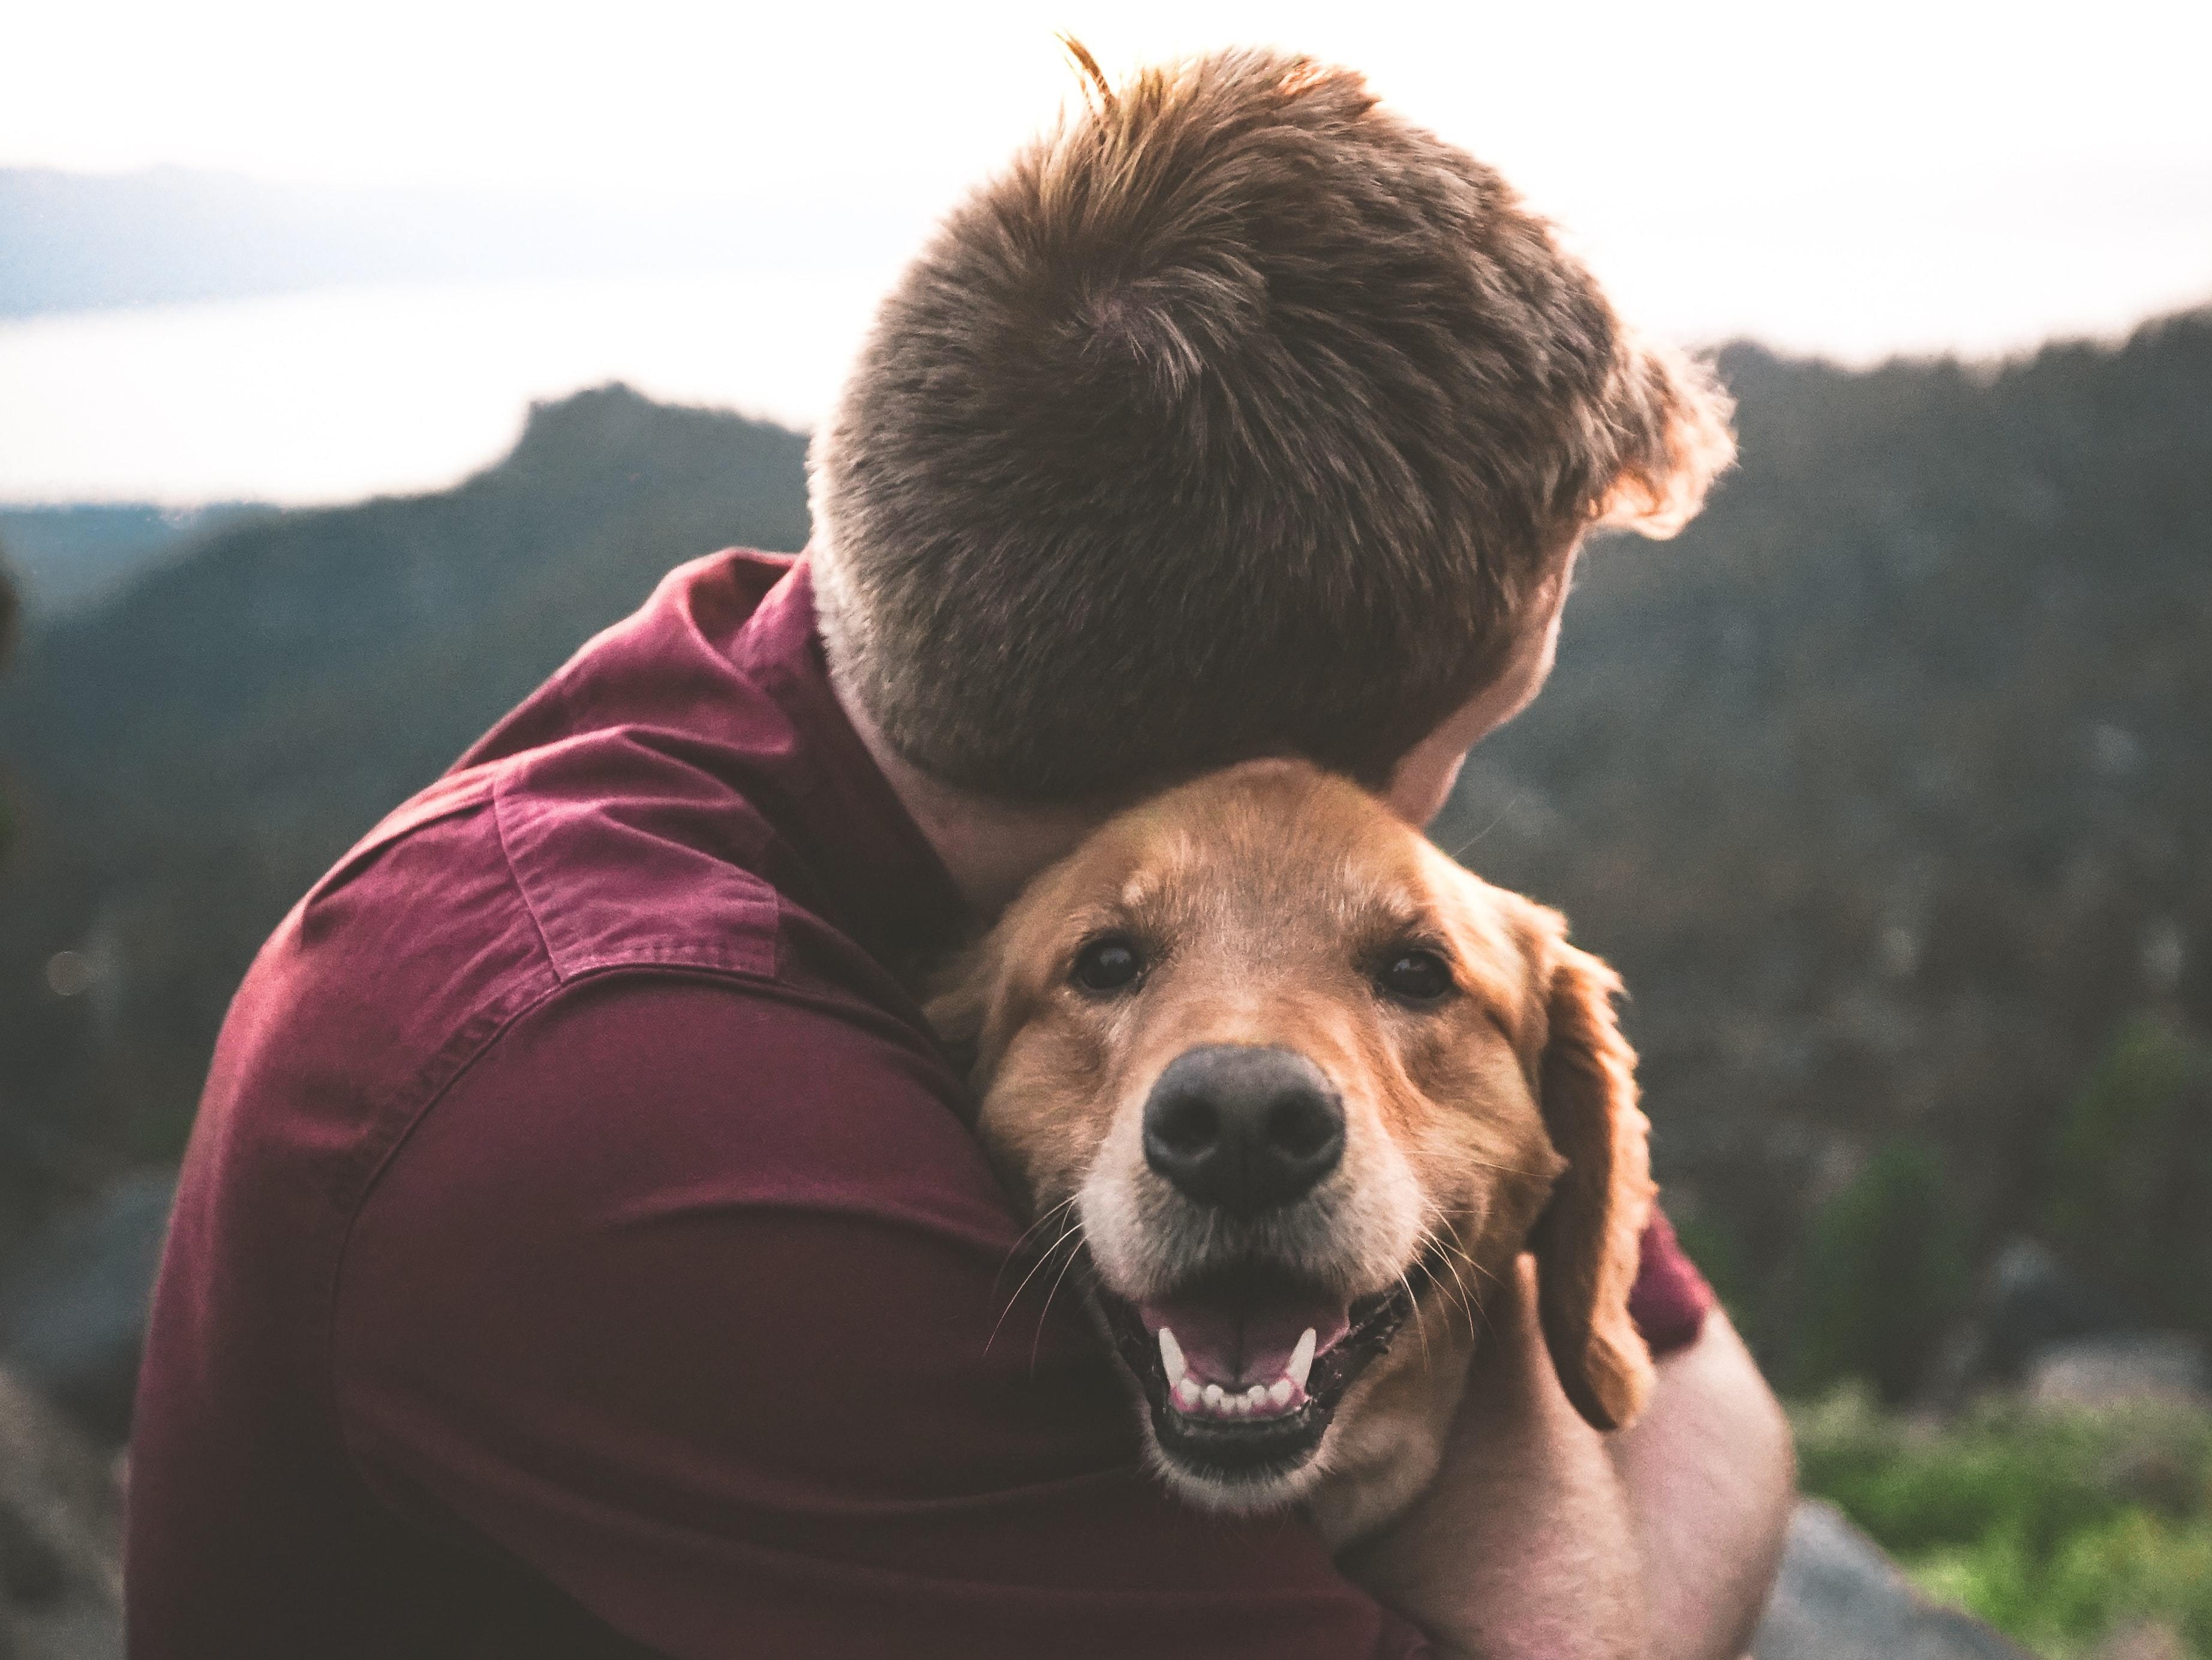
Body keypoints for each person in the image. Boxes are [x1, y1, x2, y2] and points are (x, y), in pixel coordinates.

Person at [127, 46, 1793, 1660]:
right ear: (1254, 778)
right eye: (1467, 740)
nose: (1400, 840)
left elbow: (1706, 1393)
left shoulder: (864, 680)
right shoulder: (631, 1114)